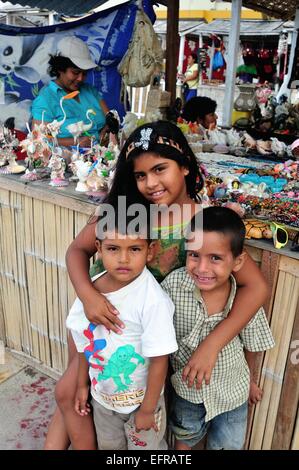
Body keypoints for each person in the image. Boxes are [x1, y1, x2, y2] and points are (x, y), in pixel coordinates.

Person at [44, 120, 268, 450]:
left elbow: (257, 287)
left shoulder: (205, 222)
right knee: (71, 393)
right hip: (103, 327)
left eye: (160, 169)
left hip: (158, 344)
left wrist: (212, 345)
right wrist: (88, 295)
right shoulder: (129, 213)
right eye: (140, 175)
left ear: (186, 167)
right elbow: (77, 250)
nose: (150, 183)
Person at [162, 206, 275, 450]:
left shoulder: (242, 300)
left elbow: (253, 344)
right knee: (184, 439)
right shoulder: (172, 287)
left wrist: (251, 382)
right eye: (194, 255)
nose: (202, 268)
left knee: (227, 445)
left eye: (215, 258)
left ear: (238, 261)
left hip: (233, 393)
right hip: (187, 390)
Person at [66, 210, 178, 450]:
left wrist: (148, 409)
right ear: (98, 248)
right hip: (103, 401)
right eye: (113, 249)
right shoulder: (92, 293)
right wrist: (82, 384)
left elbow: (160, 360)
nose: (123, 259)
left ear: (150, 251)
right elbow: (87, 343)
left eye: (134, 249)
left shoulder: (152, 301)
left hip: (142, 401)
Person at [31, 36, 110, 148]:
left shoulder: (90, 91)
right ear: (59, 69)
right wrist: (75, 142)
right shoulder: (45, 100)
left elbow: (110, 119)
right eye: (75, 72)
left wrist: (106, 132)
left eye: (84, 73)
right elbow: (37, 140)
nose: (80, 79)